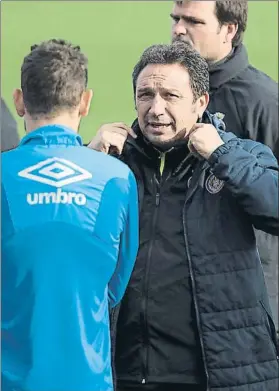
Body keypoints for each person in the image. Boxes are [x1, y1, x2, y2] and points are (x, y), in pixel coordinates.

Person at [89, 41, 279, 391]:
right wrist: (85, 164)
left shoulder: (237, 156)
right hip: (128, 373)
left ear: (201, 102)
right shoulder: (111, 163)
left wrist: (222, 155)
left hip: (219, 373)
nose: (155, 108)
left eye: (170, 96)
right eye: (145, 94)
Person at [1, 39, 139, 391]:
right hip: (88, 380)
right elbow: (115, 287)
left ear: (19, 100)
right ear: (85, 101)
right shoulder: (116, 178)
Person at [170, 0, 279, 329]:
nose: (178, 29)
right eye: (175, 18)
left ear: (229, 29)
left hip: (247, 309)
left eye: (193, 21)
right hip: (180, 299)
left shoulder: (264, 103)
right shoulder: (168, 92)